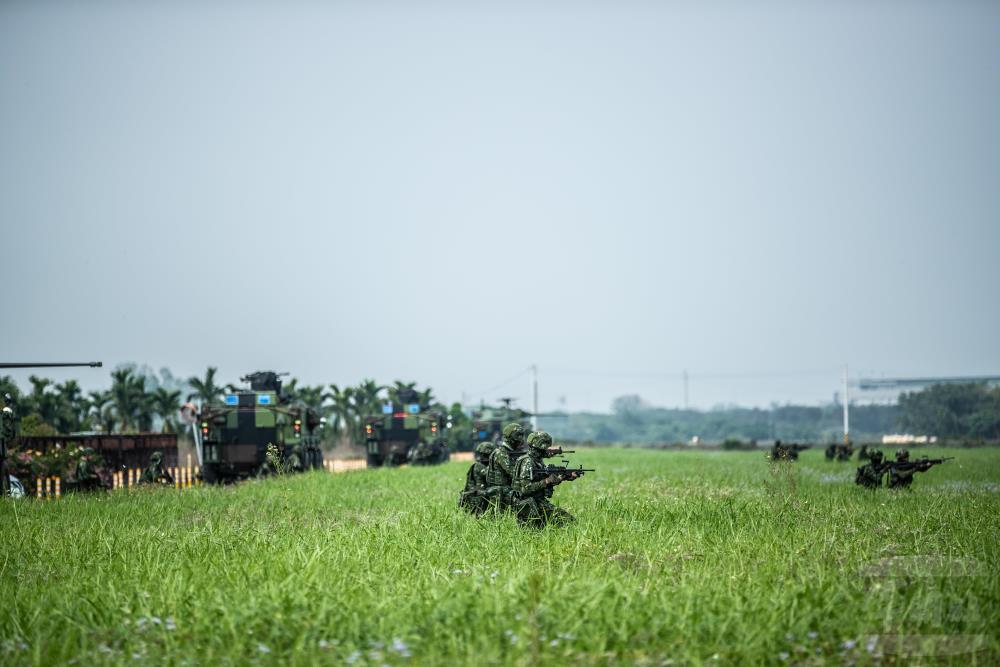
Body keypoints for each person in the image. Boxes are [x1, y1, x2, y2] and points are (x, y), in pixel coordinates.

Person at [512, 431, 577, 527]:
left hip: (537, 502)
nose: (548, 450)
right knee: (569, 522)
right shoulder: (527, 462)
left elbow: (542, 480)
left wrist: (563, 477)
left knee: (568, 522)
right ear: (540, 447)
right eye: (546, 447)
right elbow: (525, 489)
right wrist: (547, 481)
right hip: (529, 504)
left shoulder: (537, 461)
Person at [485, 423, 526, 511]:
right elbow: (514, 472)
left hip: (507, 490)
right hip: (501, 492)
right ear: (510, 437)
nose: (521, 439)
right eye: (518, 436)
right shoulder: (501, 453)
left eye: (522, 436)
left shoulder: (512, 452)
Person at [458, 441, 496, 515]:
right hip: (479, 498)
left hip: (483, 496)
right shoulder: (478, 466)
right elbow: (488, 474)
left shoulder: (482, 465)